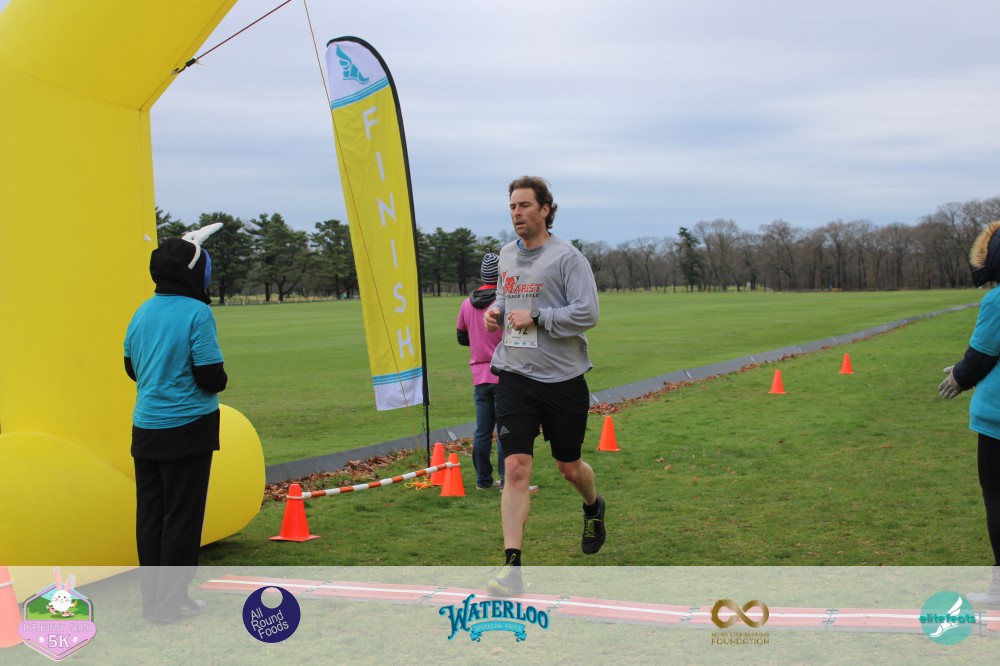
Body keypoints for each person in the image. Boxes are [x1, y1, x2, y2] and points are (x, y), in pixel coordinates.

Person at [483, 176, 604, 596]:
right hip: (515, 374)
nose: (516, 213)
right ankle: (512, 569)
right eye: (512, 207)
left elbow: (587, 313)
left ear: (545, 210)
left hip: (562, 379)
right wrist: (496, 312)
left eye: (524, 206)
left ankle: (593, 505)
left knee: (569, 467)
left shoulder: (568, 258)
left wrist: (538, 317)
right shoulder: (505, 255)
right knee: (515, 468)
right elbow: (506, 297)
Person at [124, 226, 227, 623]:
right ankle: (171, 605)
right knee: (182, 519)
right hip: (188, 428)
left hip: (146, 429)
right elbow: (210, 376)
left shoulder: (142, 311)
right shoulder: (197, 313)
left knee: (151, 517)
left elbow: (131, 367)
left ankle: (154, 602)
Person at [939, 219, 1000, 607]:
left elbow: (982, 354)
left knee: (997, 498)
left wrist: (960, 376)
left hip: (998, 420)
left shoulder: (997, 300)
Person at [457, 252, 506, 490]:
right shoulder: (503, 302)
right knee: (506, 430)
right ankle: (508, 480)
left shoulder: (466, 304)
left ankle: (483, 480)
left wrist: (479, 341)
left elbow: (461, 337)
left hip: (479, 375)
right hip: (504, 373)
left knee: (482, 431)